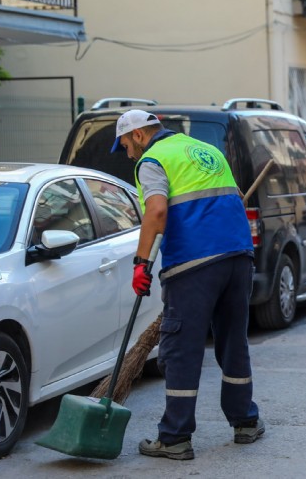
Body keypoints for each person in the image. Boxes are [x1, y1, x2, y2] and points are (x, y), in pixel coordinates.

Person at [111, 109, 262, 460]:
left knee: (181, 348)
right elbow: (232, 195)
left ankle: (175, 437)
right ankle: (246, 422)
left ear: (137, 135)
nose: (129, 155)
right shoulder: (204, 149)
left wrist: (141, 262)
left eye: (126, 146)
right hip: (238, 255)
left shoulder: (152, 160)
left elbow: (158, 212)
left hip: (195, 262)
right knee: (232, 342)